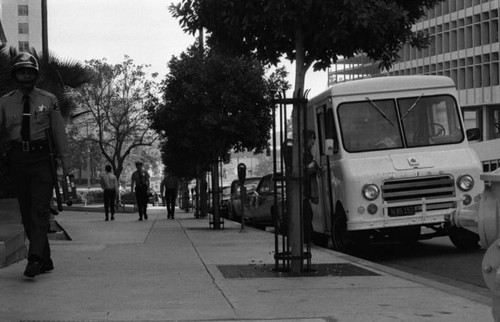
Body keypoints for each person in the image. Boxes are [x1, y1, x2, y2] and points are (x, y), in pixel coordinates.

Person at [0, 53, 71, 278]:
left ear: (35, 74)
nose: (26, 75)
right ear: (15, 75)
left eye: (30, 71)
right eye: (22, 71)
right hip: (18, 159)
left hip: (42, 160)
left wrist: (66, 164)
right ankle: (46, 259)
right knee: (26, 211)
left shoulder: (49, 100)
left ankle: (35, 258)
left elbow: (59, 132)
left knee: (39, 211)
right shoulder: (4, 102)